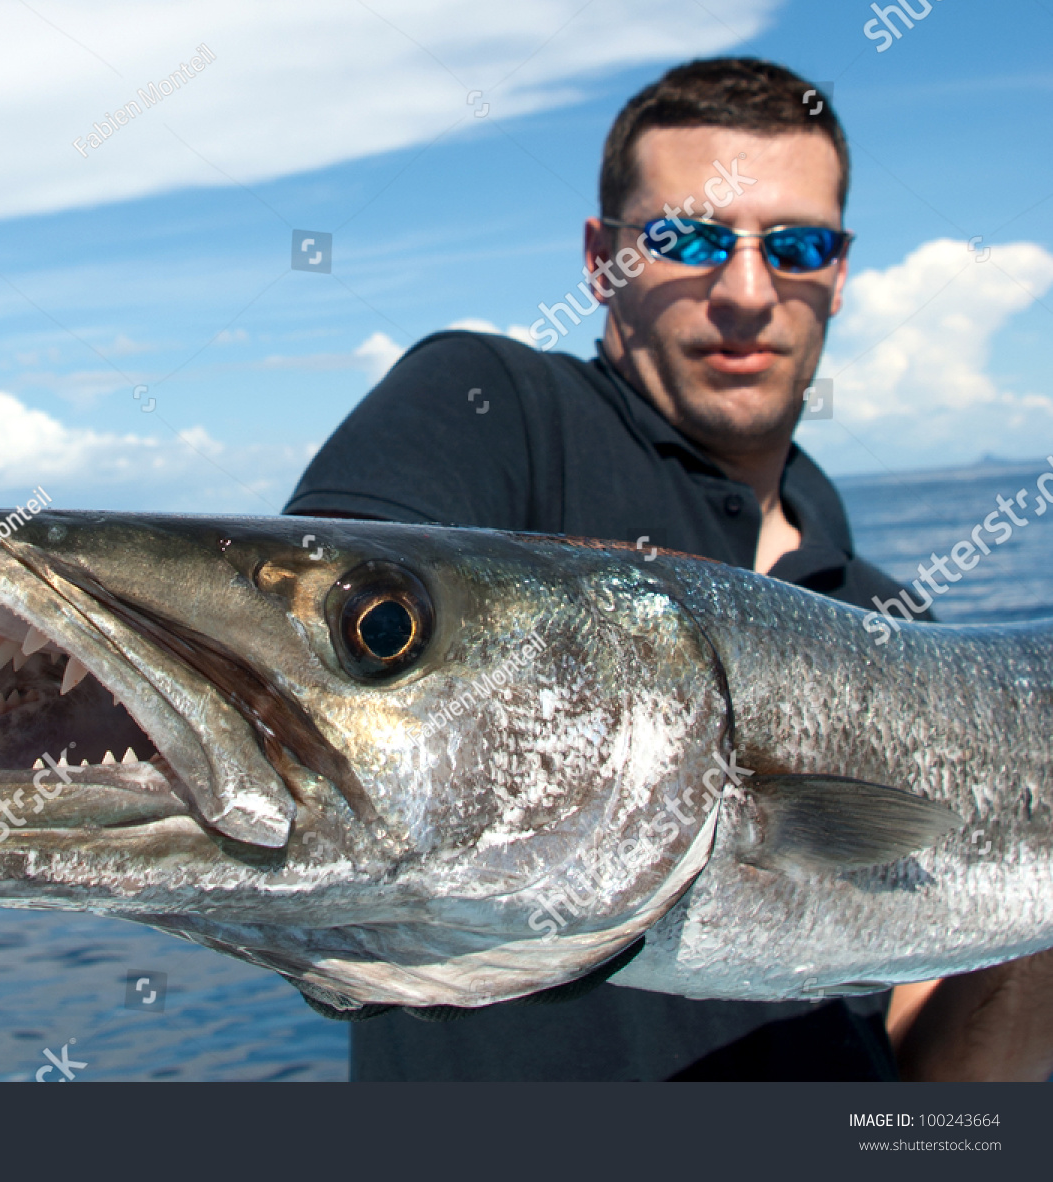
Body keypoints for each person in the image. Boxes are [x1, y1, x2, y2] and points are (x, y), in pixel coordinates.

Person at [284, 56, 1053, 1082]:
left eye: (797, 245)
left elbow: (942, 1096)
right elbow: (315, 681)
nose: (745, 291)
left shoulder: (884, 619)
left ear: (839, 271)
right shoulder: (495, 408)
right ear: (604, 257)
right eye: (687, 239)